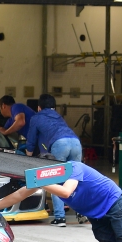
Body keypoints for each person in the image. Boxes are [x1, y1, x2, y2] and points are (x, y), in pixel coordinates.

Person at [25, 94, 83, 227]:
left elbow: (31, 140)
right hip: (76, 143)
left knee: (56, 180)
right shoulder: (58, 116)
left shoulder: (36, 117)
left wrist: (28, 157)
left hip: (60, 144)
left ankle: (60, 218)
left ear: (39, 108)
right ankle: (81, 211)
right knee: (75, 178)